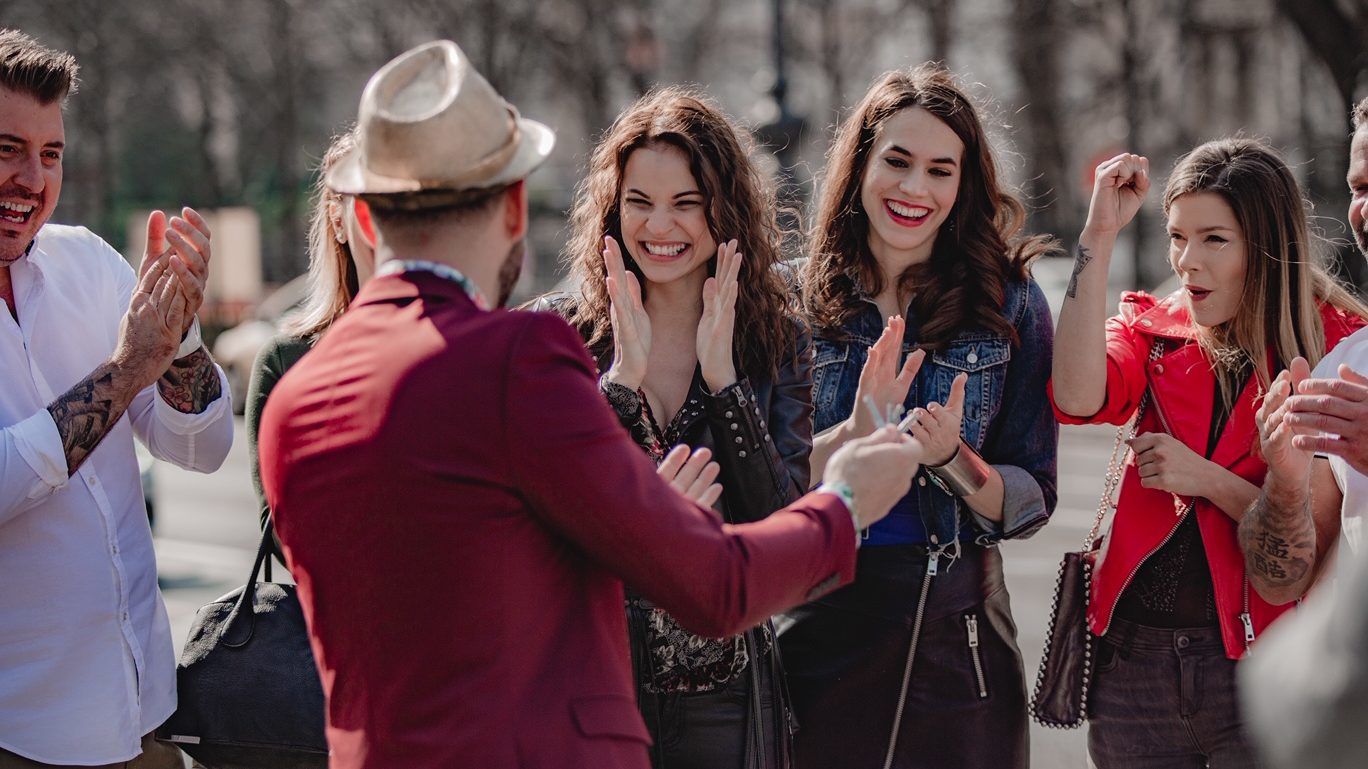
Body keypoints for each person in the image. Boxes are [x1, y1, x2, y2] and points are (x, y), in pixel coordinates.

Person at [257, 39, 925, 769]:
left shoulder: (293, 398)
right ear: (515, 207)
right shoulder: (521, 358)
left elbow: (471, 568)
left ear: (362, 218)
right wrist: (848, 497)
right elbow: (715, 584)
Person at [1050, 137, 1367, 768]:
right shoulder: (1154, 329)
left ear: (1267, 245)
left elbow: (1325, 546)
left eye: (1215, 239)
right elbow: (1077, 395)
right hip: (1132, 668)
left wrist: (1206, 479)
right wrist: (1100, 235)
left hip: (1259, 665)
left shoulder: (1341, 350)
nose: (1187, 261)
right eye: (1177, 236)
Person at [782, 64, 1058, 769]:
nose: (914, 189)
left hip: (955, 634)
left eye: (941, 170)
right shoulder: (787, 302)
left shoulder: (1012, 304)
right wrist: (849, 441)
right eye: (897, 161)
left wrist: (950, 460)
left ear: (963, 187)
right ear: (861, 164)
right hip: (815, 623)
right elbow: (762, 482)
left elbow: (1032, 497)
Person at [532, 87, 811, 769]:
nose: (661, 225)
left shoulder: (775, 340)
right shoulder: (556, 334)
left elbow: (785, 540)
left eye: (687, 203)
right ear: (612, 207)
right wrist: (619, 391)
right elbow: (537, 526)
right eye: (640, 202)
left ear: (725, 209)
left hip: (724, 698)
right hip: (587, 687)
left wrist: (725, 383)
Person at [0, 29, 233, 768]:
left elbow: (200, 448)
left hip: (142, 716)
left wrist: (179, 340)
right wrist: (129, 364)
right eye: (6, 149)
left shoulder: (88, 262)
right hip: (23, 733)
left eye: (50, 154)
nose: (32, 180)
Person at [1236, 96, 1368, 769]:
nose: (1366, 209)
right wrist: (1284, 484)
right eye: (1359, 187)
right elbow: (1281, 580)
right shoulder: (1347, 364)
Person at [246, 128, 374, 561]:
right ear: (338, 219)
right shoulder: (288, 360)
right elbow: (286, 534)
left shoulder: (465, 346)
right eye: (370, 196)